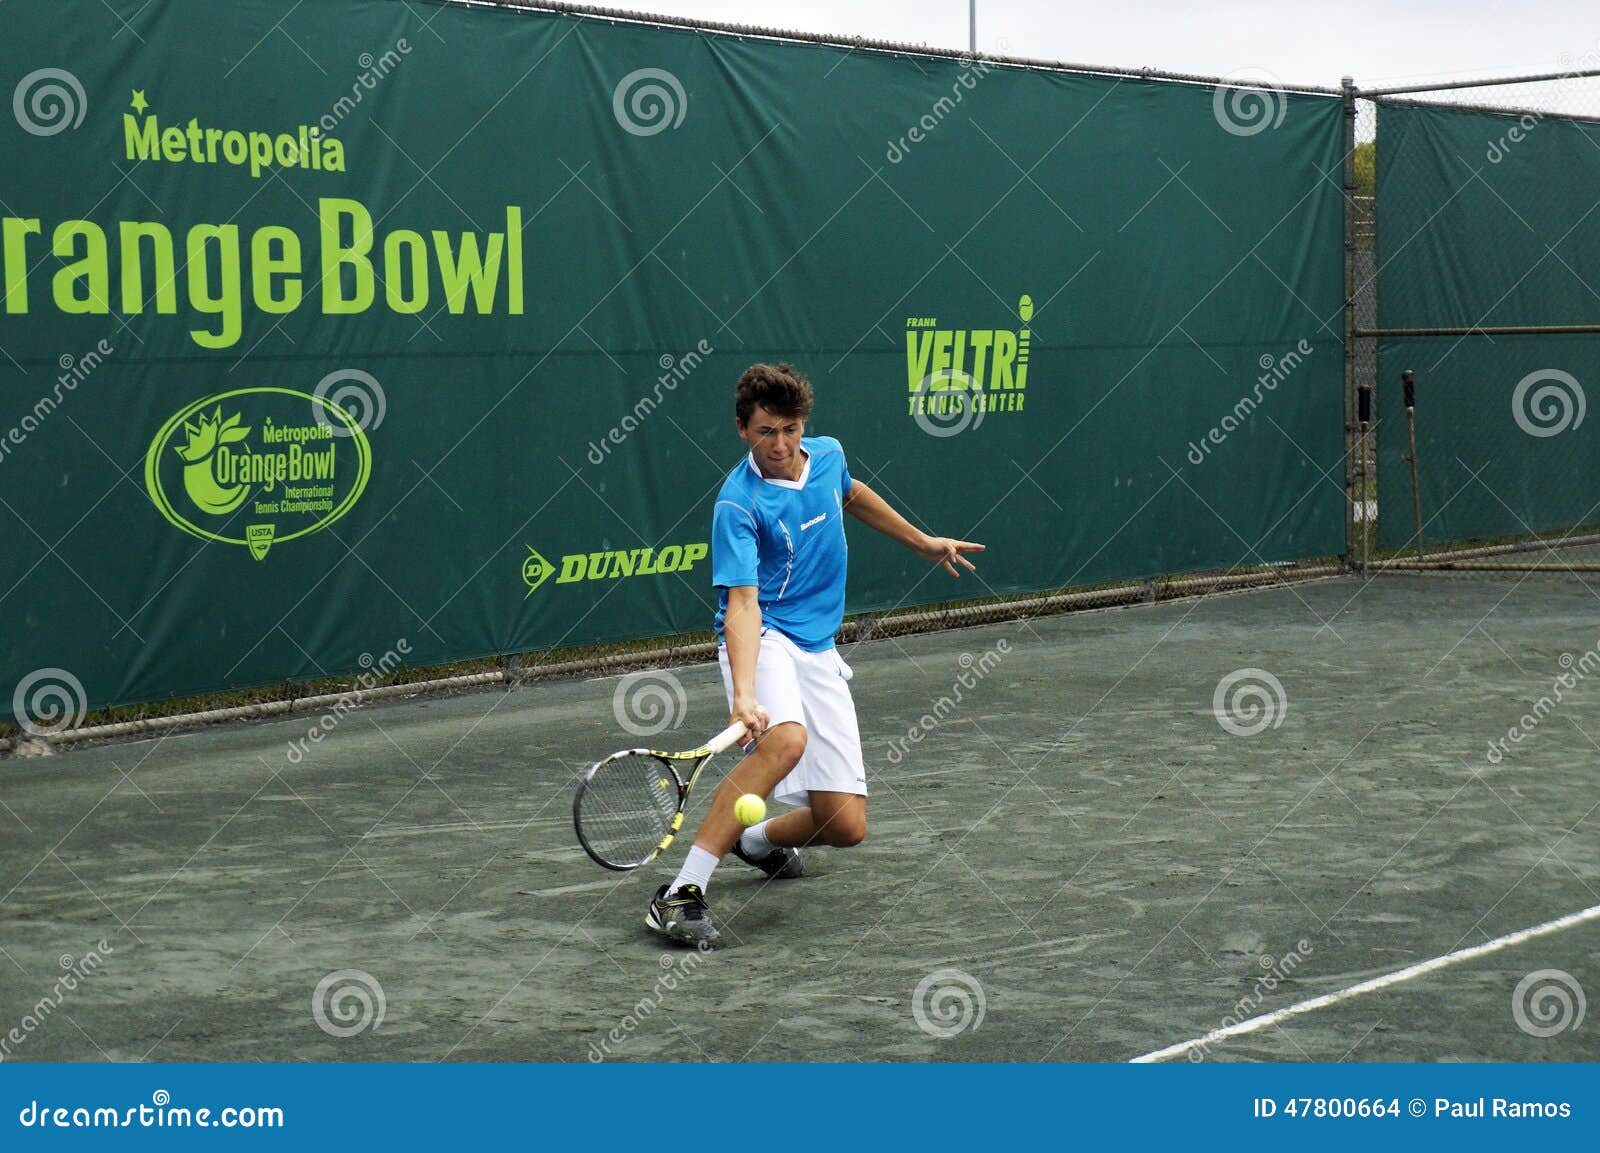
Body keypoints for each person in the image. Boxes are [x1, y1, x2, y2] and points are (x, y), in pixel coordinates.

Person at [647, 363, 985, 944]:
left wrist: (922, 542)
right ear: (741, 431)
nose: (780, 445)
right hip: (767, 636)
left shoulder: (826, 455)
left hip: (818, 645)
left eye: (790, 428)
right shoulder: (737, 505)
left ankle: (755, 841)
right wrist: (746, 694)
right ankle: (680, 891)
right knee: (785, 741)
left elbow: (850, 494)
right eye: (764, 432)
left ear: (804, 424)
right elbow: (744, 607)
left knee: (844, 824)